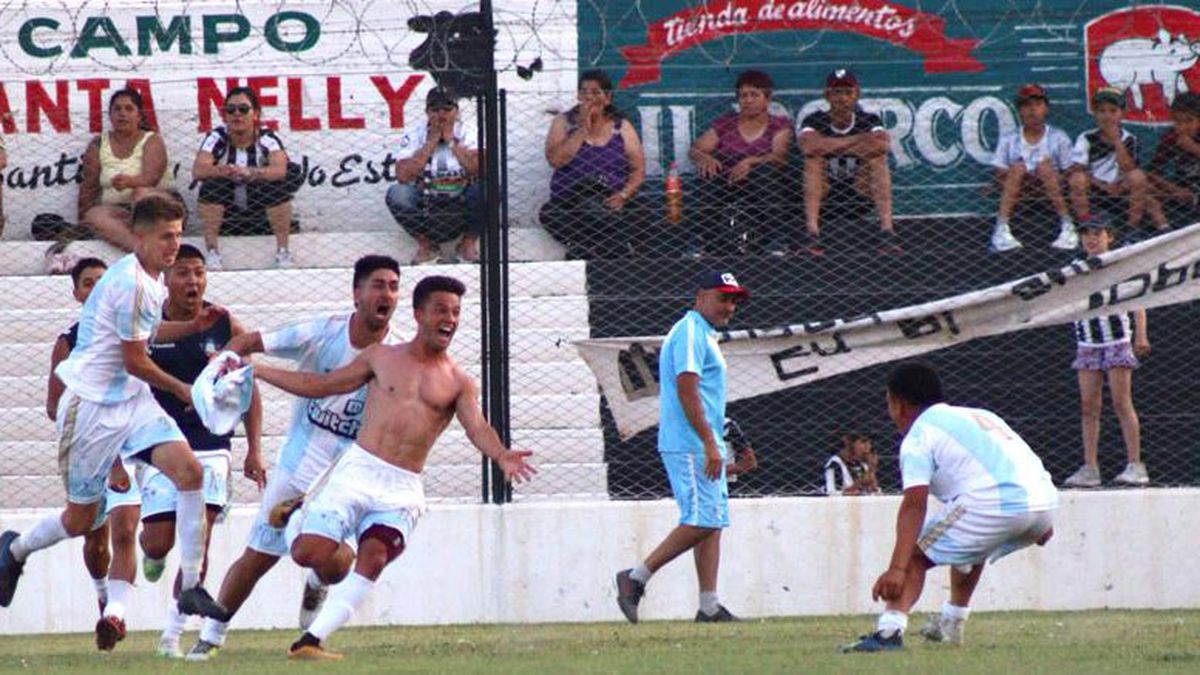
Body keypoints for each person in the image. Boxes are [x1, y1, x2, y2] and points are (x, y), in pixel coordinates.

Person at [251, 275, 536, 660]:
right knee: (308, 554)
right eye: (441, 309)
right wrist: (259, 371)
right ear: (419, 313)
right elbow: (321, 384)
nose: (449, 318)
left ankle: (310, 641)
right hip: (357, 471)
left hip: (401, 488)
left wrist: (500, 454)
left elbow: (477, 426)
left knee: (375, 557)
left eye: (455, 312)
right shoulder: (380, 357)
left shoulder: (459, 382)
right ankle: (297, 515)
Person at [0, 194, 231, 652]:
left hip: (132, 402)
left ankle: (189, 584)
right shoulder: (132, 284)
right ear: (140, 235)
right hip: (90, 409)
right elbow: (136, 360)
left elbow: (144, 336)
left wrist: (191, 327)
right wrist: (186, 391)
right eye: (166, 237)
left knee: (192, 473)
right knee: (83, 518)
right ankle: (14, 550)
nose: (174, 246)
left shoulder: (152, 280)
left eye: (179, 235)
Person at [186, 254, 403, 661]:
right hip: (301, 461)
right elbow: (247, 343)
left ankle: (318, 581)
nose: (386, 293)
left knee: (336, 565)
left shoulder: (398, 354)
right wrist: (221, 371)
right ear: (357, 294)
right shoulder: (322, 332)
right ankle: (211, 637)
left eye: (393, 286)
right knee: (258, 556)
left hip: (353, 468)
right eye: (378, 284)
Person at [841, 362, 1058, 652]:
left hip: (995, 504)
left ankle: (888, 632)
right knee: (967, 544)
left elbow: (913, 506)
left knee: (915, 556)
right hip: (1041, 503)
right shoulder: (980, 415)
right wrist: (1036, 516)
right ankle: (951, 624)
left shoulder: (919, 436)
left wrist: (896, 568)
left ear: (898, 404)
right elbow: (1019, 458)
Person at [132, 244, 265, 658]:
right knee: (158, 543)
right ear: (165, 279)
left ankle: (171, 636)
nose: (193, 281)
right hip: (159, 444)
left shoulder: (222, 322)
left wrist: (254, 451)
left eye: (199, 273)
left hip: (211, 444)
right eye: (184, 273)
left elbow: (249, 388)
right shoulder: (147, 323)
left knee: (199, 536)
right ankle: (152, 556)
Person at [615, 270, 750, 624]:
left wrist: (717, 440)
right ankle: (635, 578)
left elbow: (702, 393)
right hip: (690, 443)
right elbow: (687, 389)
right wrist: (709, 441)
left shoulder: (703, 333)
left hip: (702, 441)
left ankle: (709, 605)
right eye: (723, 297)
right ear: (700, 296)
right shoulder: (690, 331)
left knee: (713, 520)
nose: (729, 306)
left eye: (734, 300)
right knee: (703, 518)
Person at [45, 258, 144, 624]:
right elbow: (55, 405)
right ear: (77, 293)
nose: (96, 289)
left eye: (102, 281)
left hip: (127, 448)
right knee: (95, 537)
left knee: (125, 529)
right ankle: (103, 596)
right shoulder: (69, 342)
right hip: (87, 445)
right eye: (88, 283)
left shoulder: (134, 334)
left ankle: (116, 613)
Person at [1062, 217, 1151, 488]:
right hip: (1087, 343)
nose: (1091, 239)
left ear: (1109, 236)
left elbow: (1138, 302)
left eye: (1097, 233)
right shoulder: (1073, 269)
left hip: (1116, 341)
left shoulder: (1121, 265)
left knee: (1122, 403)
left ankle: (1135, 464)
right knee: (1089, 406)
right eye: (1086, 234)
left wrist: (1141, 334)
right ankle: (1090, 467)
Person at [541, 70, 648, 259]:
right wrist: (582, 128)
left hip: (610, 200)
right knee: (551, 214)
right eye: (584, 92)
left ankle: (587, 248)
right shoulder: (563, 122)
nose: (589, 97)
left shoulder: (621, 126)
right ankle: (613, 247)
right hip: (571, 201)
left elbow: (638, 170)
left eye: (596, 92)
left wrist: (623, 195)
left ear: (608, 98)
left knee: (642, 214)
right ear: (578, 96)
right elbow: (556, 160)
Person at [193, 86, 303, 270]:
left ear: (256, 114)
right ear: (225, 115)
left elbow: (280, 169)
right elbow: (198, 170)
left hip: (261, 214)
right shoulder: (217, 136)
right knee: (211, 186)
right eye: (231, 110)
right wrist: (226, 170)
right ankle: (212, 252)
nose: (237, 114)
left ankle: (283, 251)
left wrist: (252, 173)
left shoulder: (266, 137)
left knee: (275, 187)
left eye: (243, 109)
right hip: (227, 216)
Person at [688, 70, 793, 256]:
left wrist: (751, 161)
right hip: (727, 179)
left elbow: (780, 156)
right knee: (707, 173)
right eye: (743, 96)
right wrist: (704, 157)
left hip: (761, 182)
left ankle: (777, 241)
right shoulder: (726, 123)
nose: (748, 100)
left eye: (755, 95)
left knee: (767, 173)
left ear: (767, 99)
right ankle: (700, 241)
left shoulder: (779, 125)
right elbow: (696, 149)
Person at [798, 69, 899, 255]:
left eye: (847, 92)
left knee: (878, 159)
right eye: (837, 92)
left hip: (860, 191)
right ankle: (812, 232)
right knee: (813, 161)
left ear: (856, 95)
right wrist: (858, 141)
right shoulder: (814, 120)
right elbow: (808, 148)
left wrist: (827, 144)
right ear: (827, 95)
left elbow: (882, 146)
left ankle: (887, 231)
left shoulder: (869, 119)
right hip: (825, 193)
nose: (842, 98)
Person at [386, 88, 482, 265]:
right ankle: (426, 246)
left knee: (487, 189)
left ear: (456, 111)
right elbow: (402, 176)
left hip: (461, 201)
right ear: (427, 112)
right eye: (435, 110)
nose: (441, 115)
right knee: (396, 194)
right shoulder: (415, 135)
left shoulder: (469, 131)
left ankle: (468, 244)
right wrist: (430, 143)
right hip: (427, 203)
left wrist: (452, 142)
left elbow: (480, 170)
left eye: (447, 109)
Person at [79, 88, 172, 251]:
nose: (122, 114)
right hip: (122, 216)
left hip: (157, 212)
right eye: (117, 109)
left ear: (139, 115)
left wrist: (130, 182)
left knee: (141, 194)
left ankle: (150, 245)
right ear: (110, 116)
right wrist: (82, 220)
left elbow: (152, 178)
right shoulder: (98, 144)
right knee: (94, 215)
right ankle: (141, 250)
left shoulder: (151, 140)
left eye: (129, 109)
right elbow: (89, 186)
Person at [1067, 87, 1168, 235]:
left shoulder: (1129, 139)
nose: (1107, 116)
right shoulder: (1087, 137)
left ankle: (1136, 230)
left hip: (1123, 189)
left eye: (1113, 111)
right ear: (1095, 114)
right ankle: (1085, 226)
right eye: (1102, 111)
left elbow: (1130, 168)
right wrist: (1103, 185)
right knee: (1077, 179)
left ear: (1123, 113)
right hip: (1096, 189)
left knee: (1147, 194)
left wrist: (1116, 140)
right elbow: (1078, 169)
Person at [990, 84, 1077, 252]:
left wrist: (1044, 175)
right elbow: (999, 172)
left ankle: (1067, 226)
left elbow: (1069, 171)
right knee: (1017, 167)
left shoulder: (1058, 137)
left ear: (1045, 108)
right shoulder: (1010, 138)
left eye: (1037, 105)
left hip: (1052, 188)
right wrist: (1025, 177)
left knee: (1045, 167)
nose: (1032, 110)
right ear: (1020, 110)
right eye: (1027, 105)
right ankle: (1001, 229)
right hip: (1018, 190)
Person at [1147, 92, 1200, 228]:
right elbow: (1152, 172)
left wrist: (1194, 148)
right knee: (1142, 185)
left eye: (1189, 120)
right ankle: (1165, 229)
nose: (1182, 127)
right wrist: (1174, 189)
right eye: (1177, 121)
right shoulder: (1171, 138)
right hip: (1183, 189)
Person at [824, 431, 880, 496]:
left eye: (870, 443)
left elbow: (874, 491)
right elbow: (832, 494)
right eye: (863, 442)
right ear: (848, 442)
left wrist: (872, 469)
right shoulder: (835, 464)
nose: (868, 447)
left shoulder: (863, 465)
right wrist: (860, 482)